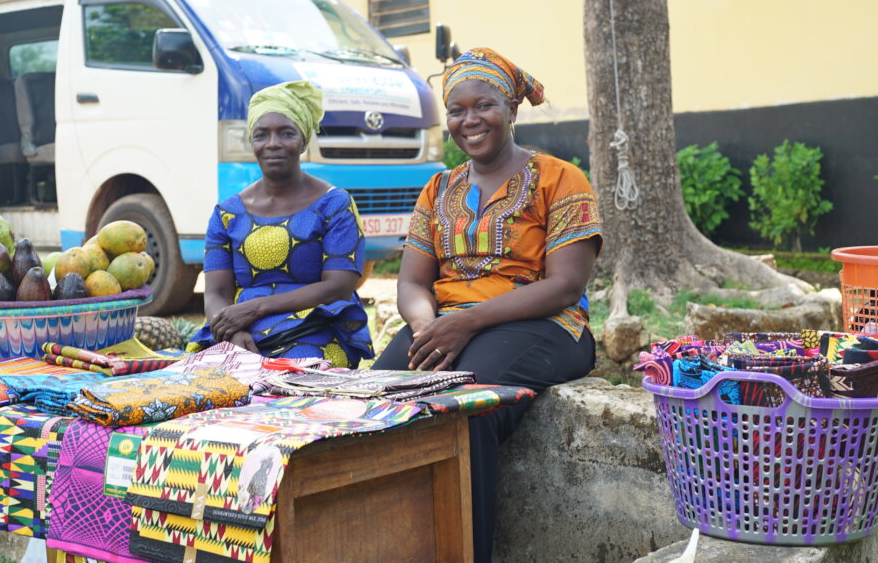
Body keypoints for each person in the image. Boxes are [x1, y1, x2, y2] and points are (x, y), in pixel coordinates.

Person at [372, 48, 603, 562]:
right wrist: (428, 325)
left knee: (467, 408)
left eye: (485, 105)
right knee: (371, 399)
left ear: (513, 110)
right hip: (451, 322)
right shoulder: (438, 188)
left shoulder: (560, 179)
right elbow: (411, 282)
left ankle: (462, 552)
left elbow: (565, 285)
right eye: (457, 110)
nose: (470, 119)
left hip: (545, 326)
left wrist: (467, 323)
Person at [188, 81, 373, 367]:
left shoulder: (334, 204)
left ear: (303, 141)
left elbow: (339, 286)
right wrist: (233, 332)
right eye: (262, 135)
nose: (273, 143)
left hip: (316, 326)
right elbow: (215, 293)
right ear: (252, 142)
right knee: (201, 386)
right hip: (239, 332)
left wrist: (256, 308)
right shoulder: (227, 214)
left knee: (296, 377)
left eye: (286, 133)